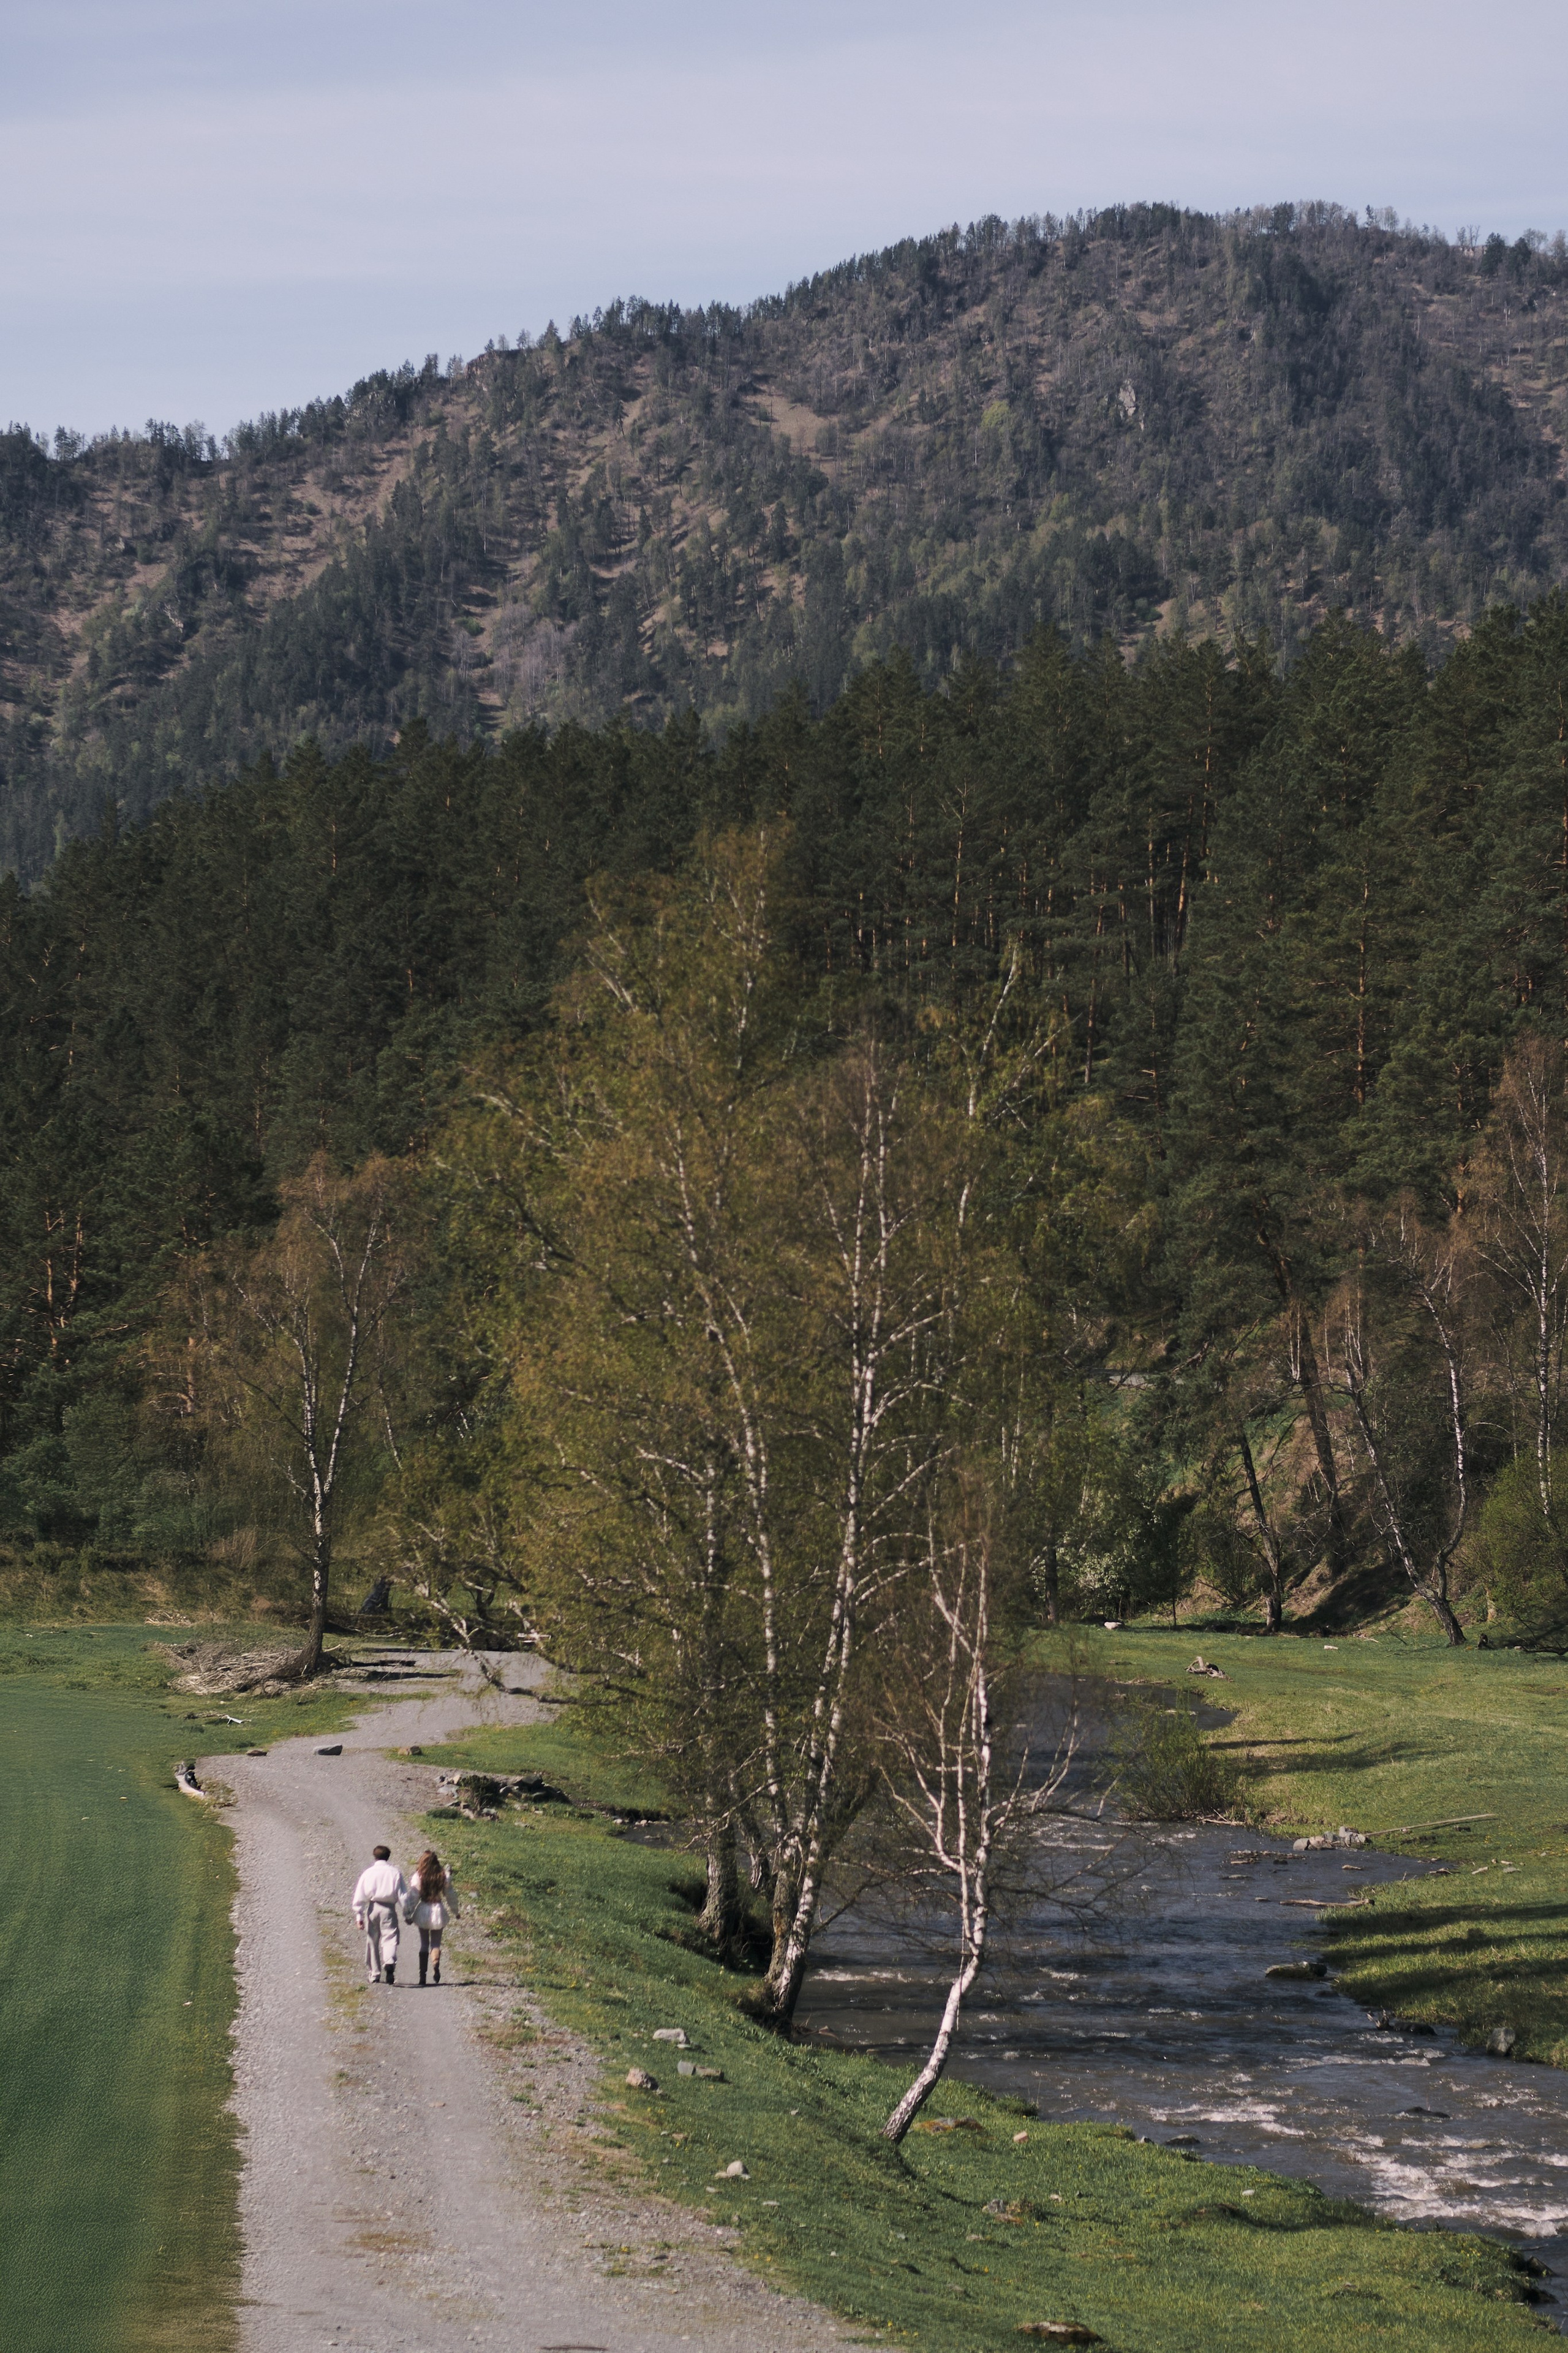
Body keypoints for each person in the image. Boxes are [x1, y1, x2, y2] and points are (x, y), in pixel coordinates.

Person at [403, 1847, 461, 1986]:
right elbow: (450, 1896)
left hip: (424, 1909)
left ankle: (422, 1976)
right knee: (436, 1943)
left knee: (424, 1944)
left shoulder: (419, 1877)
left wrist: (408, 1914)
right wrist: (456, 1911)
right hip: (438, 1910)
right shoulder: (443, 1876)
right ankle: (436, 1965)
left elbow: (413, 1897)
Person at [352, 1843, 407, 1984]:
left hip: (373, 1908)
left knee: (372, 1941)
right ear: (388, 1857)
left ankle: (375, 1973)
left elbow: (360, 1895)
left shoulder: (368, 1873)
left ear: (375, 1856)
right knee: (390, 1937)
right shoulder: (395, 1873)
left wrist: (359, 1915)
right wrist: (408, 1912)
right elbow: (402, 1896)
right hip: (389, 1909)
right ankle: (389, 1962)